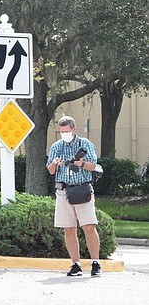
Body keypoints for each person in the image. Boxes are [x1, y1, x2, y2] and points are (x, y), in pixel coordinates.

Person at [46, 115, 102, 277]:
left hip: (82, 189)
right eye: (61, 131)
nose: (64, 133)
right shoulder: (56, 146)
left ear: (73, 130)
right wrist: (55, 163)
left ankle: (96, 262)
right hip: (63, 191)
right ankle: (75, 264)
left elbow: (94, 166)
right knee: (68, 229)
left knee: (89, 227)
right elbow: (50, 171)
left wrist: (81, 163)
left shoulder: (85, 144)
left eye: (67, 131)